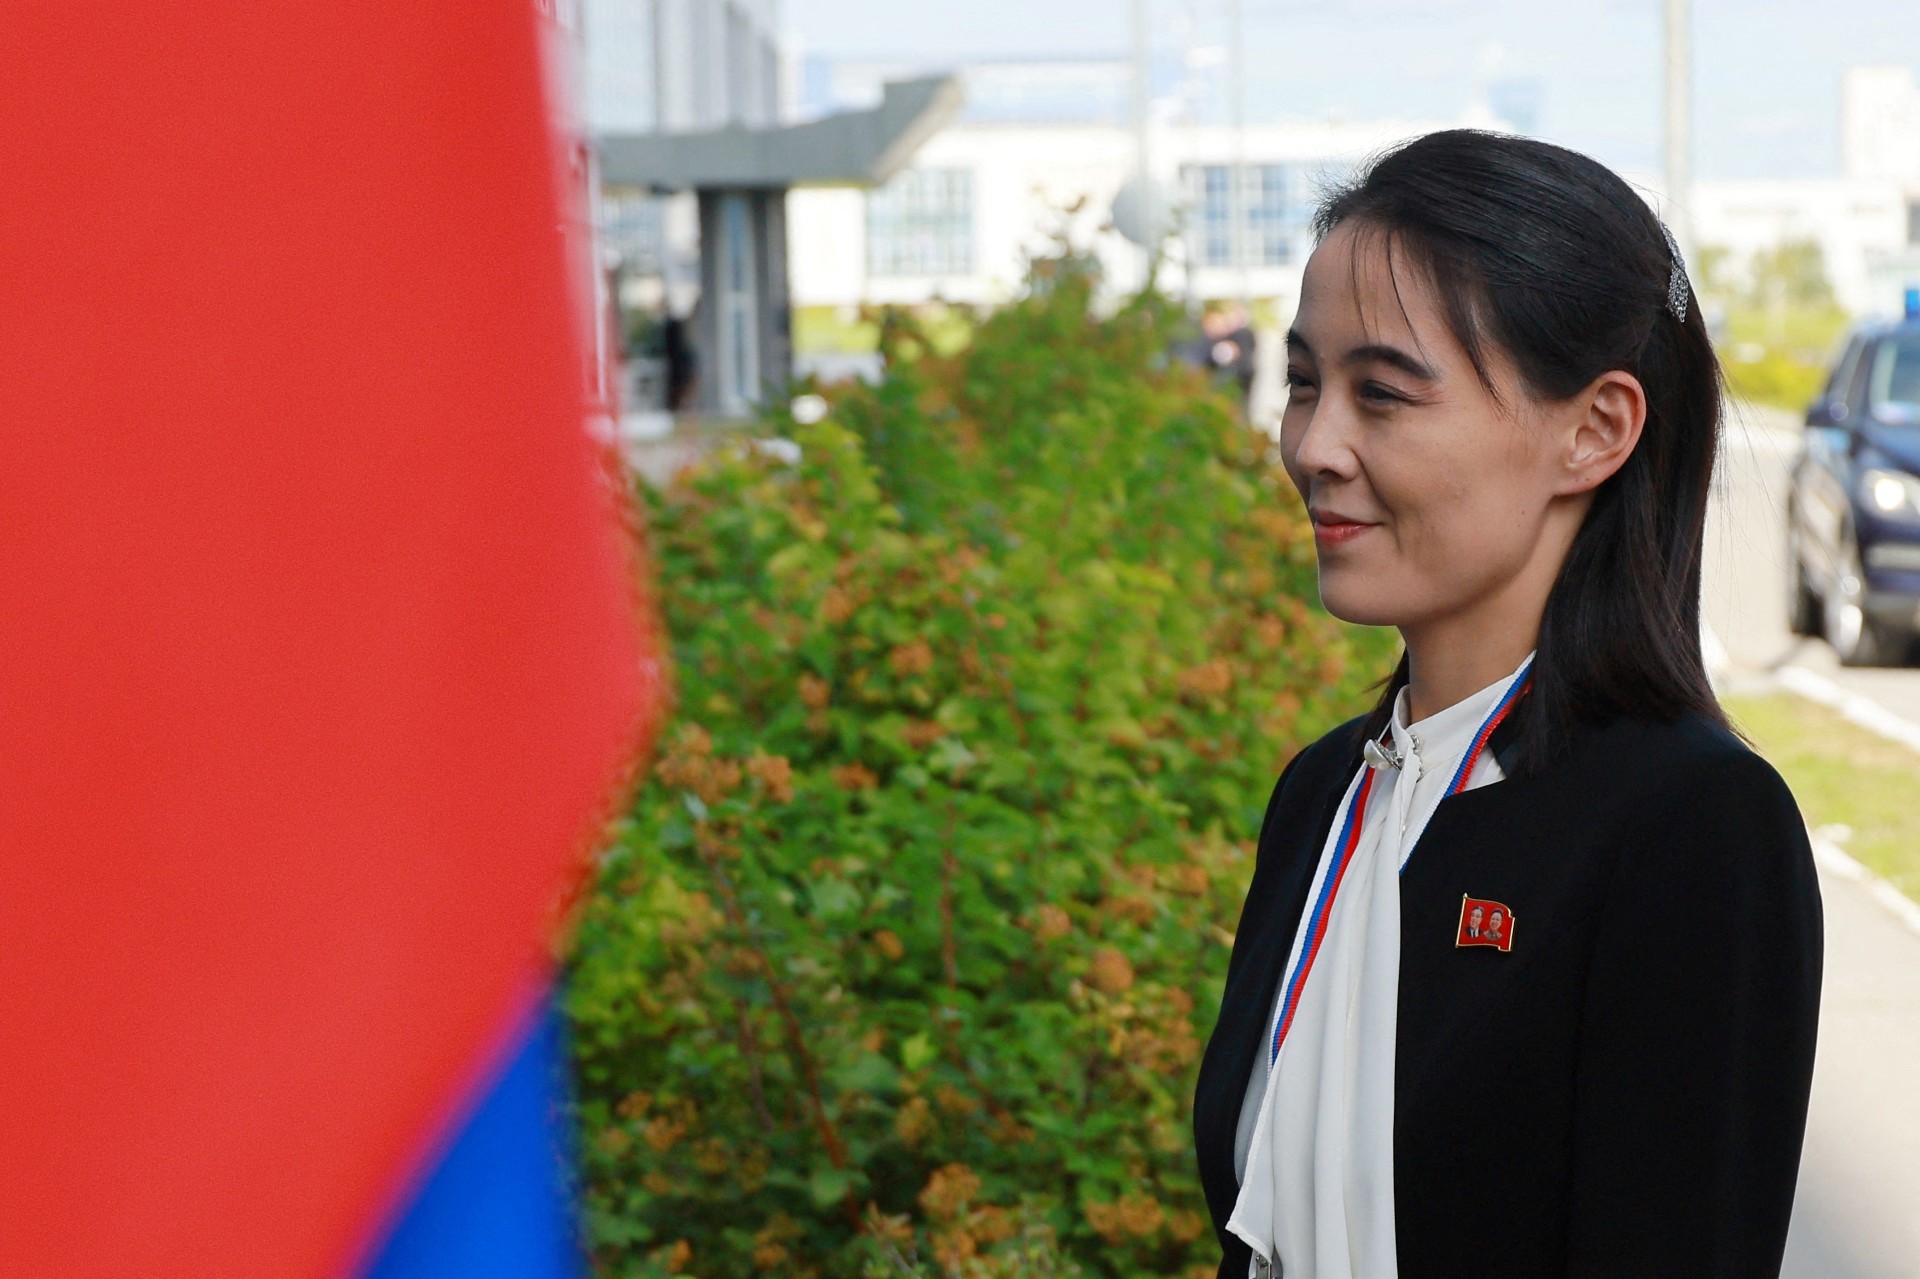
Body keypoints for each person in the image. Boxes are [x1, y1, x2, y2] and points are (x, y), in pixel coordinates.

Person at [1190, 130, 1822, 1279]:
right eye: (1303, 384)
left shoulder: (1692, 828)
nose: (1314, 446)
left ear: (1596, 430)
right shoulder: (1324, 794)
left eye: (1383, 393)